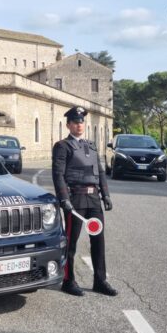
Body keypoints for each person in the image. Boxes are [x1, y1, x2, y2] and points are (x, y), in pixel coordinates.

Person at [52, 106, 118, 297]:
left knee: (98, 241)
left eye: (81, 122)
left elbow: (101, 172)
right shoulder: (62, 147)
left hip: (93, 199)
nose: (79, 125)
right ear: (68, 125)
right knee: (71, 242)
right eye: (75, 122)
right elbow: (58, 175)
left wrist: (106, 195)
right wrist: (64, 199)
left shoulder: (91, 146)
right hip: (76, 199)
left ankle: (100, 280)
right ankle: (68, 280)